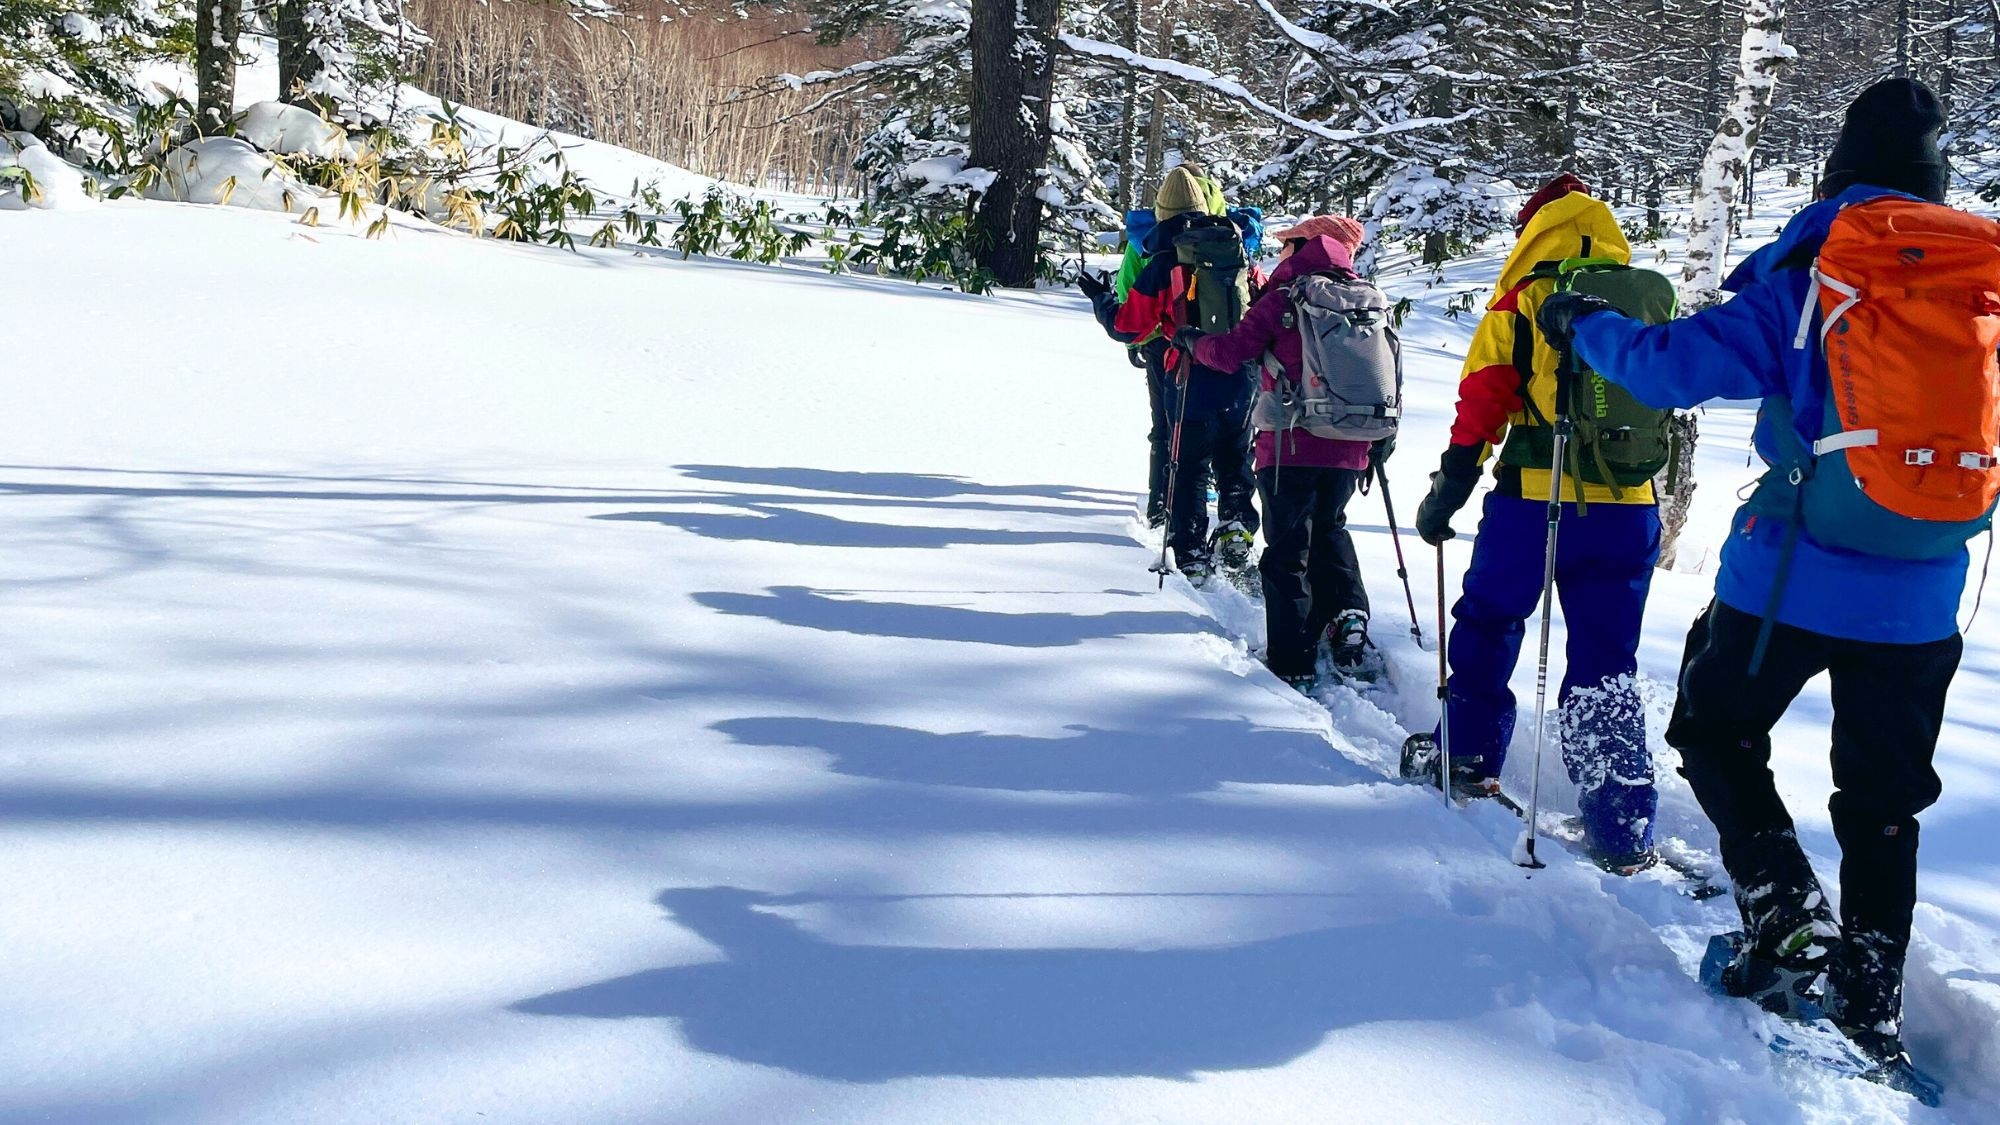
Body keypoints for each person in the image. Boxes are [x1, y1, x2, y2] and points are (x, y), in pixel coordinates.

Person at [1534, 79, 1986, 1088]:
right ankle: (1871, 1007)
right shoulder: (1978, 281)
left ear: (1837, 168)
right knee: (1883, 802)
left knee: (1710, 726)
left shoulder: (1819, 271)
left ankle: (1782, 912)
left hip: (1788, 575)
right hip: (1922, 589)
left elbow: (1664, 369)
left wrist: (1581, 326)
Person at [1408, 173, 1663, 874]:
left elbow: (1482, 403)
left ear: (1533, 227)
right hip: (1631, 504)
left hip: (1533, 497)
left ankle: (1466, 753)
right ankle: (1621, 819)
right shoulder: (1637, 296)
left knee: (1491, 618)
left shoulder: (1523, 298)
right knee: (1607, 657)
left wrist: (1448, 491)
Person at [1187, 218, 1393, 688]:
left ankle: (1291, 658)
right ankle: (1347, 616)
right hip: (1353, 441)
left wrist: (1192, 342)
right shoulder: (1366, 299)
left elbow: (1231, 353)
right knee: (1330, 528)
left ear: (1302, 248)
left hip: (1290, 442)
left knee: (1287, 549)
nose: (1279, 253)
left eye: (1286, 245)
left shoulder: (1284, 299)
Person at [1090, 165, 1262, 582]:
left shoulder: (1163, 259)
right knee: (1235, 454)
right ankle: (1237, 524)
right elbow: (1262, 299)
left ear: (1163, 213)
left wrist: (1100, 300)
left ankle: (1189, 553)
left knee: (1186, 464)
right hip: (1242, 374)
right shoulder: (1237, 248)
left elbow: (1129, 325)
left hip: (1188, 376)